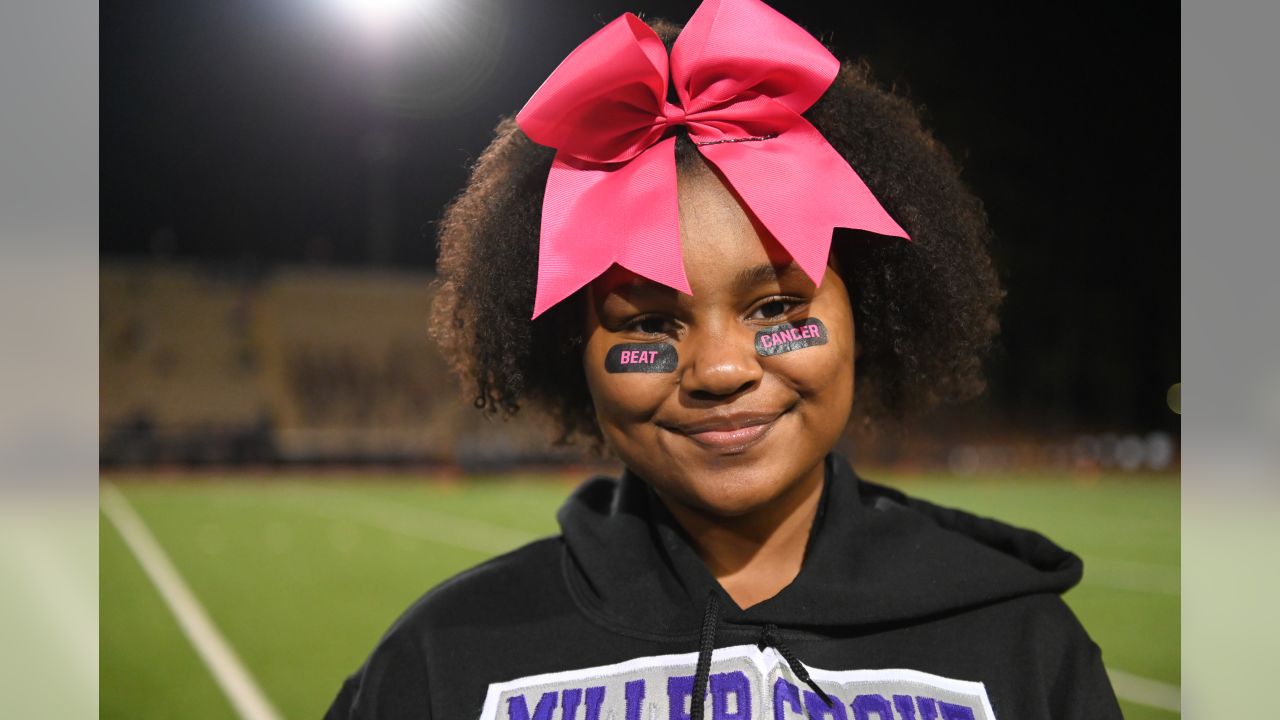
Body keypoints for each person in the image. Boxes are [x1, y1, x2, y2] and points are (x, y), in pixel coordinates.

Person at [325, 1, 1122, 718]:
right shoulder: (445, 661)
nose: (718, 370)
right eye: (650, 323)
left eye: (776, 307)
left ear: (870, 313)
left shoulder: (1021, 646)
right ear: (573, 351)